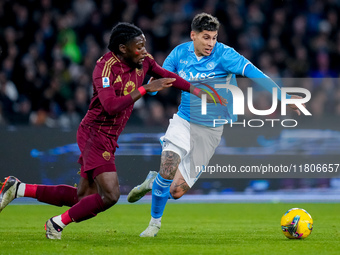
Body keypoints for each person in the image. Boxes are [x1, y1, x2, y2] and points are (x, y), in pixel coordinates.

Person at [0, 22, 212, 240]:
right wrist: (144, 89)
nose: (144, 51)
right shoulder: (104, 68)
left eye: (145, 45)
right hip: (95, 133)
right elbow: (110, 106)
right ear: (123, 48)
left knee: (83, 196)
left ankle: (18, 188)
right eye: (139, 46)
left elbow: (167, 75)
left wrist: (196, 90)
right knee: (111, 195)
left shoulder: (144, 61)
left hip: (109, 136)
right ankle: (56, 224)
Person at [127, 13, 304, 237]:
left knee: (176, 190)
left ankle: (153, 182)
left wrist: (283, 97)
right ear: (193, 35)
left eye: (214, 38)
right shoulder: (180, 54)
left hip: (211, 130)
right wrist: (152, 86)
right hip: (184, 121)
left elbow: (255, 74)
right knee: (169, 164)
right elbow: (162, 76)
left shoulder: (225, 54)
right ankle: (154, 224)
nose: (211, 43)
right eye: (206, 37)